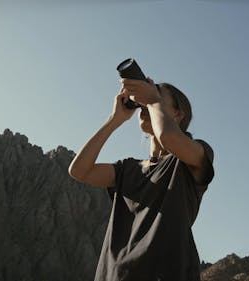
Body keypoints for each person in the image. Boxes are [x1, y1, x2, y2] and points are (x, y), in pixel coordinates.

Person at [68, 77, 214, 281]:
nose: (144, 105)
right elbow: (79, 170)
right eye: (143, 102)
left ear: (178, 114)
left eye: (156, 98)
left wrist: (152, 99)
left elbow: (169, 138)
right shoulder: (128, 169)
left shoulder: (193, 157)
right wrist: (115, 119)